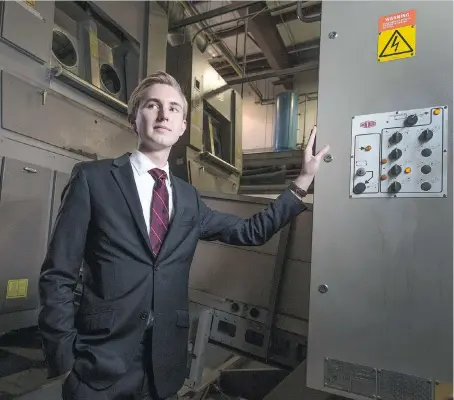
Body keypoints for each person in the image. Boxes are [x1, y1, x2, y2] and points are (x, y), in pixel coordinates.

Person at [38, 71, 330, 400]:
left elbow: (251, 232)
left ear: (182, 127)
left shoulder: (188, 198)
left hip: (163, 367)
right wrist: (63, 360)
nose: (165, 114)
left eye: (175, 109)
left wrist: (301, 182)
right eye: (153, 105)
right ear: (134, 117)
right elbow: (57, 275)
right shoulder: (93, 180)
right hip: (98, 364)